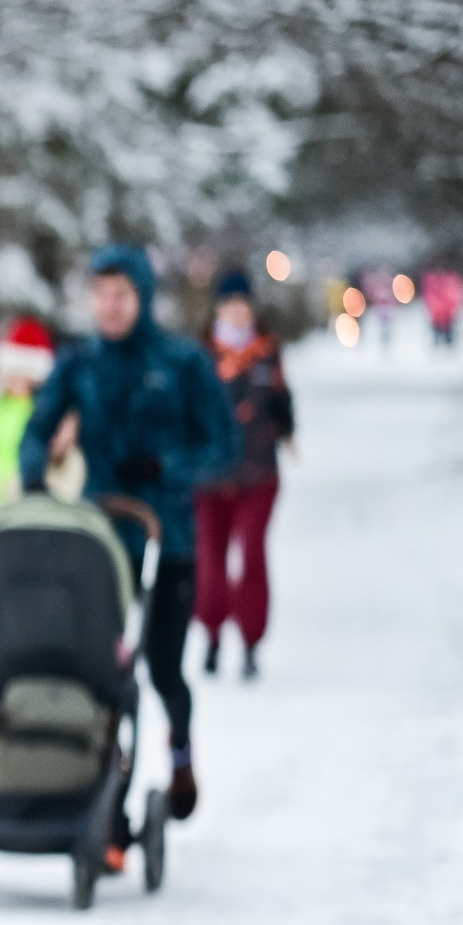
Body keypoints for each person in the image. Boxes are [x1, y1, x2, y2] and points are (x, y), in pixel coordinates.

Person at [19, 243, 237, 825]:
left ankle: (181, 752)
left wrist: (170, 466)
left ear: (142, 297)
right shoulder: (79, 365)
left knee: (163, 665)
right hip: (100, 543)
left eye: (122, 295)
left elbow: (223, 446)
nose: (110, 307)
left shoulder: (182, 363)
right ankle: (101, 795)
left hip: (171, 540)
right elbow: (36, 429)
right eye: (100, 295)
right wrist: (36, 468)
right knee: (100, 670)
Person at [194, 268, 295, 681]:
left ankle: (251, 640)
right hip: (209, 477)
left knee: (252, 555)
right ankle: (214, 633)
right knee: (210, 562)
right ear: (219, 308)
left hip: (258, 474)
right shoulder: (200, 355)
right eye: (229, 304)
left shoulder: (267, 352)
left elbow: (282, 397)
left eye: (243, 303)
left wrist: (287, 430)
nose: (237, 311)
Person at [0, 315, 57, 504]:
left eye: (26, 370)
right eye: (13, 370)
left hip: (34, 495)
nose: (18, 378)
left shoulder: (45, 408)